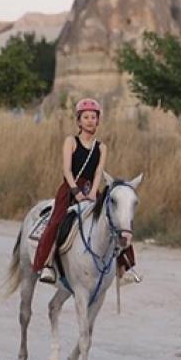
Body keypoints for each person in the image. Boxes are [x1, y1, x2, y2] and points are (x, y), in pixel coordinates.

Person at [34, 98, 138, 284]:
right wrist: (76, 191)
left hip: (91, 189)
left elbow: (98, 172)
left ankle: (124, 267)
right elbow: (66, 170)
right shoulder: (71, 141)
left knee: (114, 219)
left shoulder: (101, 147)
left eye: (93, 117)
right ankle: (47, 264)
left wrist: (92, 193)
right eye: (86, 117)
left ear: (98, 120)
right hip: (70, 187)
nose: (90, 120)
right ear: (79, 121)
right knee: (56, 221)